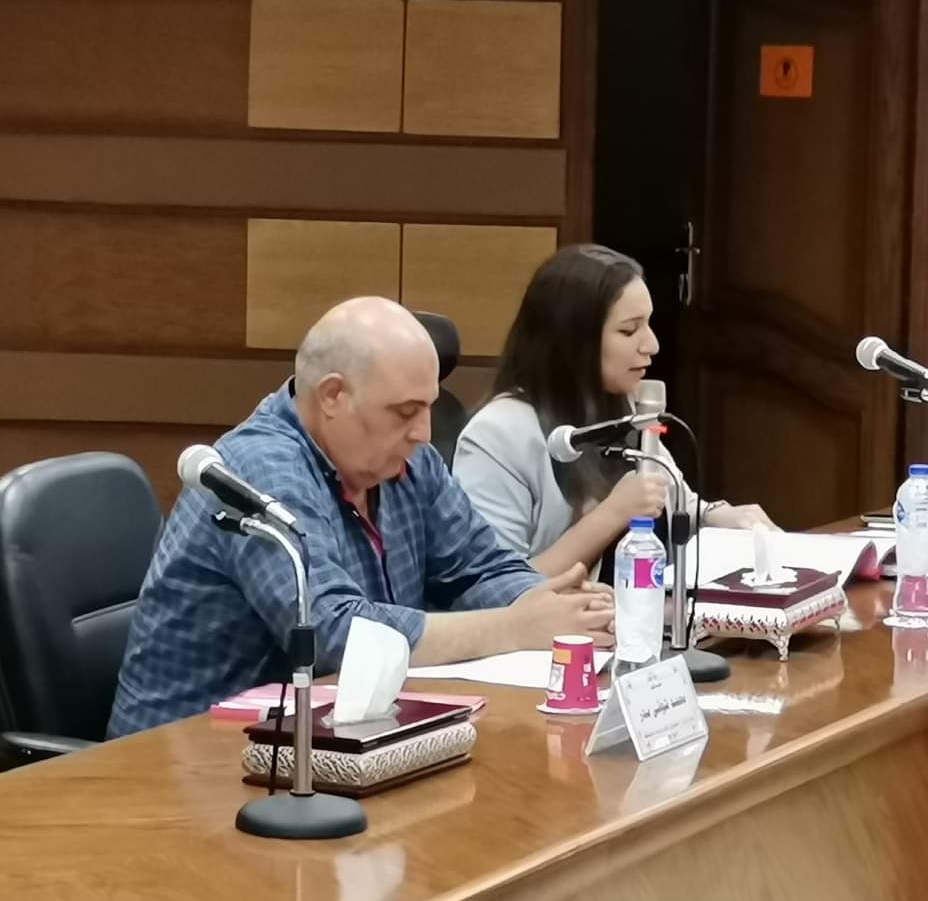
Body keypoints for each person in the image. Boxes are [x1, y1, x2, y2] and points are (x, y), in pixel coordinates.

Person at [109, 298, 613, 736]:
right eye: (404, 412)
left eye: (429, 408)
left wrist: (563, 612)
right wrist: (514, 627)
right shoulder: (260, 471)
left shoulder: (408, 462)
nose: (424, 432)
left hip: (330, 740)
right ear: (334, 396)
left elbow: (479, 567)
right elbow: (333, 635)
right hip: (182, 762)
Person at [453, 245, 777, 580]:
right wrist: (612, 514)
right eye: (629, 330)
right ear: (573, 339)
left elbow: (667, 498)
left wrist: (715, 516)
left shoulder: (625, 406)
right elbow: (493, 587)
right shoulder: (496, 435)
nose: (651, 345)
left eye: (648, 325)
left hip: (636, 607)